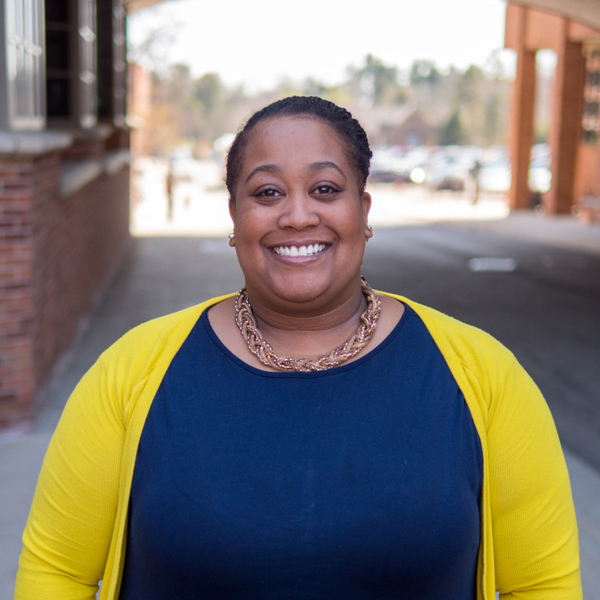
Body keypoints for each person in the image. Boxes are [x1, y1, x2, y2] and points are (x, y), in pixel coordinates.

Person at [15, 96, 581, 600]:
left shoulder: (482, 375)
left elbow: (540, 585)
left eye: (326, 189)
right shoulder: (132, 372)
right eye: (266, 192)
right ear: (235, 218)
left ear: (363, 211)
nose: (297, 215)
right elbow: (57, 572)